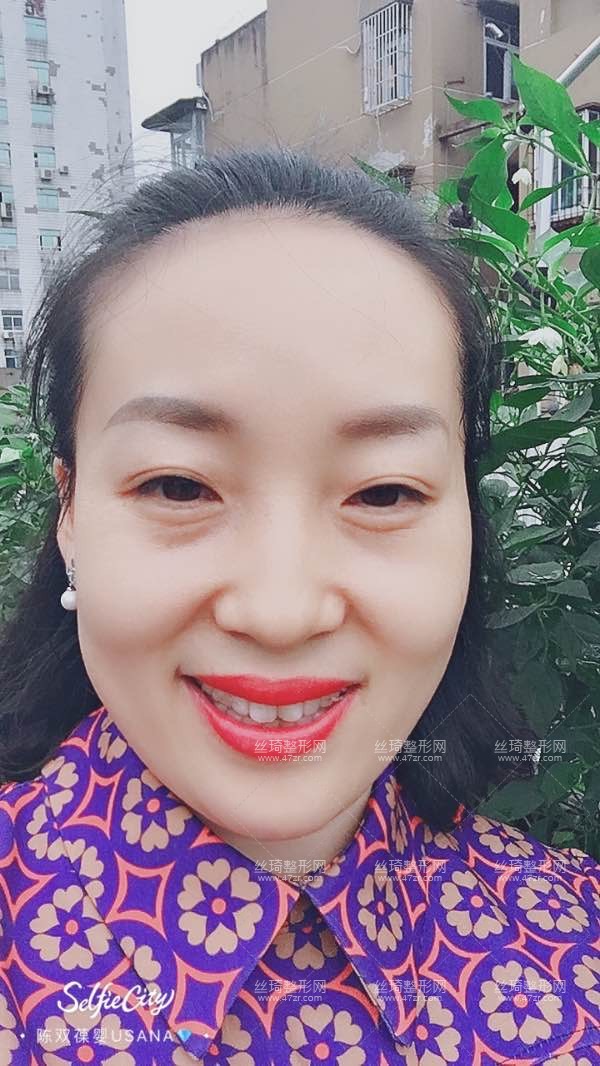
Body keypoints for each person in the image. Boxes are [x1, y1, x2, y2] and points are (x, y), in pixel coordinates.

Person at [0, 147, 598, 1065]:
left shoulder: (577, 940)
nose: (280, 613)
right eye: (177, 486)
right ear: (71, 515)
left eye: (384, 493)